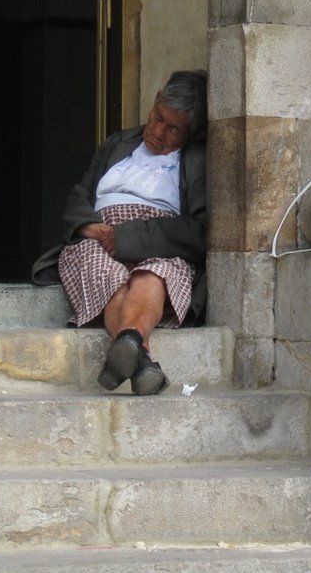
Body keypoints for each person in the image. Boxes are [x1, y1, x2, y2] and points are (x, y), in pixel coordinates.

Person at [32, 70, 207, 395]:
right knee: (108, 278)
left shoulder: (193, 161)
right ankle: (137, 356)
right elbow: (78, 195)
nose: (158, 132)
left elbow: (199, 232)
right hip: (98, 238)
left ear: (191, 134)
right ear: (155, 101)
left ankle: (133, 353)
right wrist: (87, 224)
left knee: (152, 277)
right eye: (157, 118)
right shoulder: (119, 143)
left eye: (173, 130)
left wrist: (126, 238)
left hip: (160, 241)